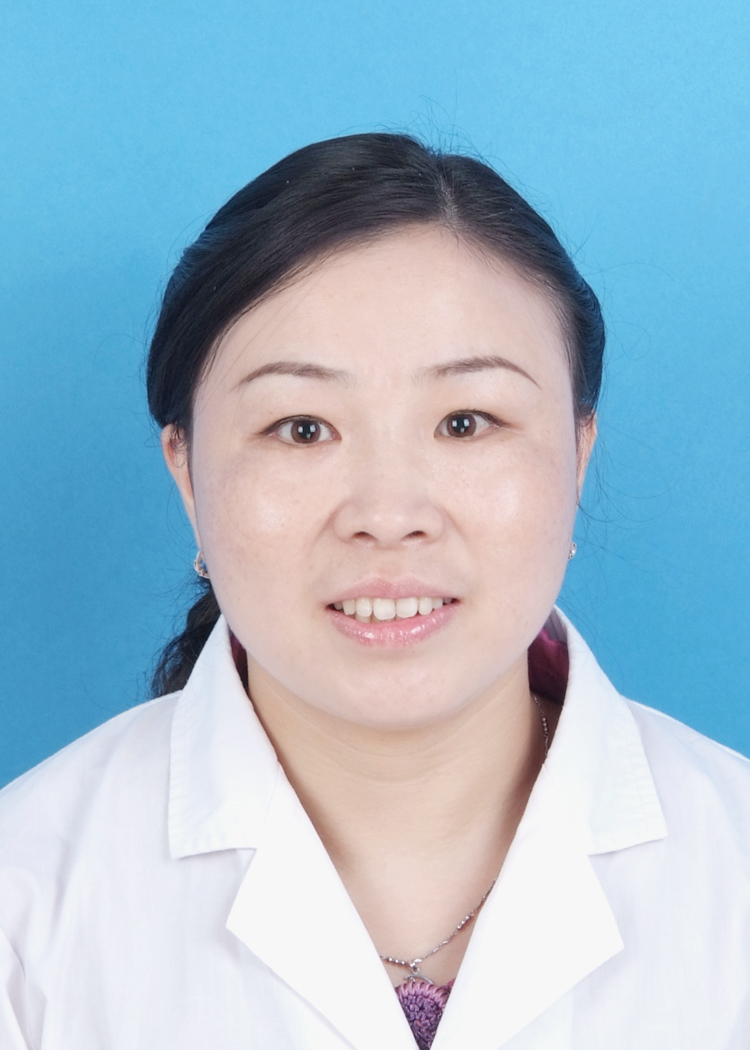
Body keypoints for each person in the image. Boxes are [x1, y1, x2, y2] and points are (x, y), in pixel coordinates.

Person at [1, 133, 748, 1050]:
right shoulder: (25, 906)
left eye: (466, 422)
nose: (389, 515)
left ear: (578, 454)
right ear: (187, 475)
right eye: (302, 428)